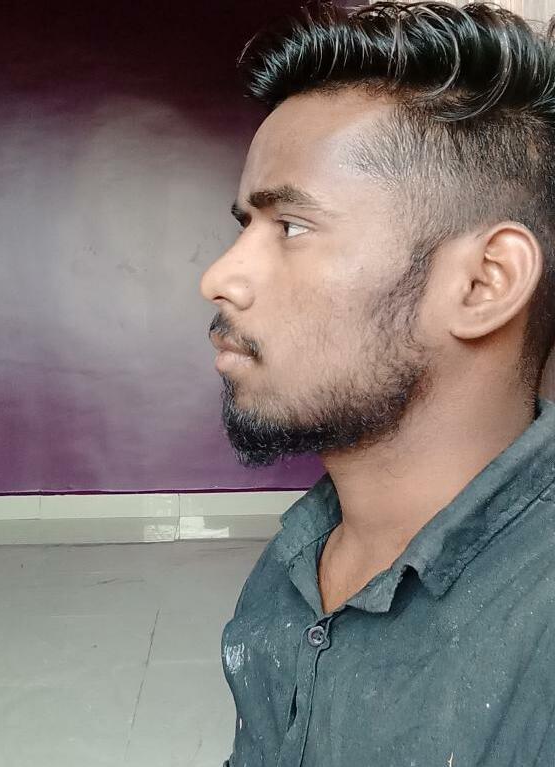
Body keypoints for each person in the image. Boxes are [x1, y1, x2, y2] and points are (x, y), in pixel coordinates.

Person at [199, 1, 555, 764]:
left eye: (291, 227)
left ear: (484, 282)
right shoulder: (295, 560)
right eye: (244, 226)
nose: (220, 277)